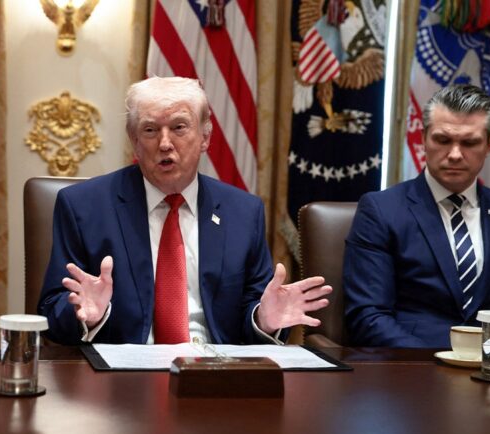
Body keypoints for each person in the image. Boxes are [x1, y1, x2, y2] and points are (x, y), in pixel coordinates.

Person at [38, 76, 331, 345]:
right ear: (134, 142)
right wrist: (87, 315)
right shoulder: (83, 207)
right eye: (150, 130)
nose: (165, 143)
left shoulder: (243, 212)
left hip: (214, 372)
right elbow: (51, 311)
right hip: (122, 375)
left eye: (179, 127)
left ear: (205, 137)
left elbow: (252, 308)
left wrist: (263, 320)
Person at [344, 84, 490, 348]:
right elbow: (368, 317)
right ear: (423, 138)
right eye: (442, 140)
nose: (454, 154)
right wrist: (439, 362)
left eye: (470, 142)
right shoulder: (381, 210)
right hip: (413, 363)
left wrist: (489, 358)